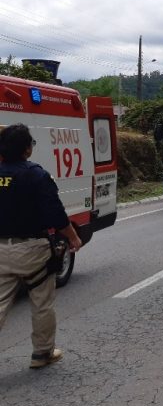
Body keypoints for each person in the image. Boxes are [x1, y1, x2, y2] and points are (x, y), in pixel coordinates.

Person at [0, 123, 83, 369]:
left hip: (1, 250)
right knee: (42, 302)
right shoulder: (36, 175)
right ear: (27, 149)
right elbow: (55, 215)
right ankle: (42, 353)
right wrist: (73, 237)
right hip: (32, 251)